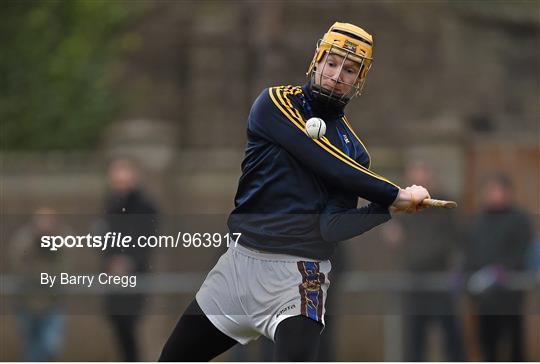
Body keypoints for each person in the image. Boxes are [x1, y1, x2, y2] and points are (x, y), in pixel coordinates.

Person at [159, 22, 431, 361]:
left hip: (297, 277)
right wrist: (394, 193)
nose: (336, 75)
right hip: (237, 269)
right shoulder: (274, 103)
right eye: (331, 63)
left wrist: (386, 210)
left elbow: (332, 227)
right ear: (316, 61)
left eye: (349, 70)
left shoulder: (354, 150)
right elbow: (328, 163)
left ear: (359, 80)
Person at [383, 160, 465, 361]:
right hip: (414, 280)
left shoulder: (444, 203)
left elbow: (458, 238)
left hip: (439, 278)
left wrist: (457, 269)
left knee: (450, 334)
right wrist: (393, 233)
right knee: (414, 337)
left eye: (421, 173)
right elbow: (395, 231)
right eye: (413, 175)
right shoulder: (405, 206)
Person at [465, 173, 533, 361]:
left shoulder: (519, 219)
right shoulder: (479, 220)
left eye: (497, 190)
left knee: (514, 345)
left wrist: (502, 270)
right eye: (490, 190)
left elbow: (522, 250)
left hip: (510, 294)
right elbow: (471, 250)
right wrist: (468, 274)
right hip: (485, 298)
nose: (492, 194)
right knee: (487, 345)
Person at [102, 157, 158, 361]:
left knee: (129, 323)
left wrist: (127, 261)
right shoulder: (111, 204)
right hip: (112, 276)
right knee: (118, 324)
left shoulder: (144, 206)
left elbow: (146, 239)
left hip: (135, 274)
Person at [10, 208, 69, 361]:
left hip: (52, 303)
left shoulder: (61, 242)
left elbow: (65, 269)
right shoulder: (25, 241)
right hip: (27, 303)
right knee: (31, 347)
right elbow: (18, 265)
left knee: (49, 346)